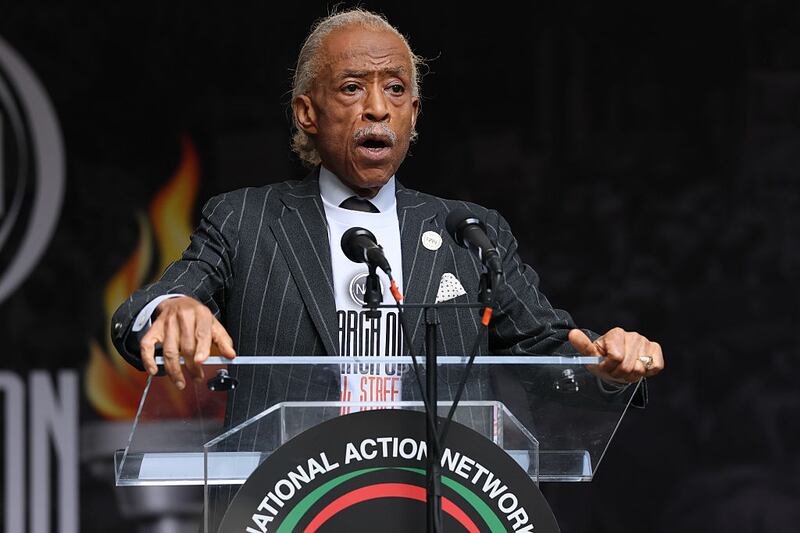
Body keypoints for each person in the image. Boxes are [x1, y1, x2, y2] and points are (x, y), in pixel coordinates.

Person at [111, 8, 663, 403]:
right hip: (293, 503)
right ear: (307, 113)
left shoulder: (468, 233)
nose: (377, 108)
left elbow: (550, 349)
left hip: (434, 501)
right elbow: (144, 312)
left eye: (396, 90)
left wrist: (607, 363)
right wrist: (171, 308)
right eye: (353, 87)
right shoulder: (244, 221)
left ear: (414, 114)